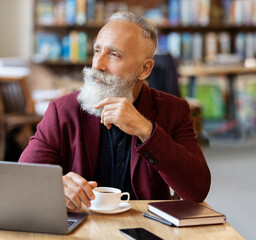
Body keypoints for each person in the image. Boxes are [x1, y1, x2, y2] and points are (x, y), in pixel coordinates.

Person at [19, 11, 211, 210]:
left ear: (145, 69)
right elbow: (23, 178)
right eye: (96, 51)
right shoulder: (63, 111)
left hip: (147, 228)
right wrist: (55, 186)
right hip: (82, 229)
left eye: (114, 55)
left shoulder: (173, 110)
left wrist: (147, 131)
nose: (98, 65)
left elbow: (197, 190)